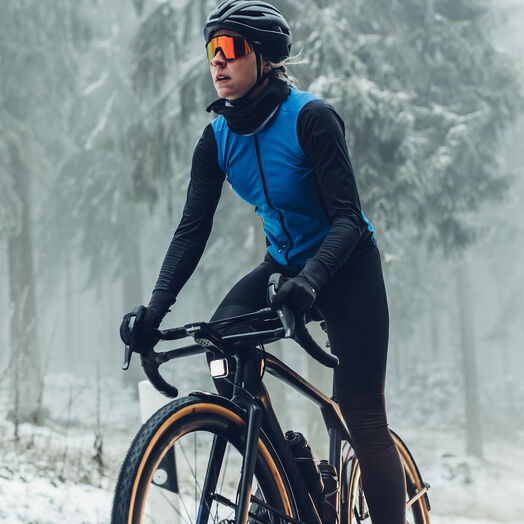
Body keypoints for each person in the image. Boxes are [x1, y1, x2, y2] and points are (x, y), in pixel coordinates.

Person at [120, 0, 406, 521]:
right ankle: (291, 484)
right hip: (285, 264)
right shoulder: (217, 139)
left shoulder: (311, 119)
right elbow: (192, 230)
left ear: (265, 56)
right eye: (212, 51)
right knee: (221, 350)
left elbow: (346, 218)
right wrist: (154, 312)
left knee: (361, 414)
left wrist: (314, 279)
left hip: (346, 268)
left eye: (230, 48)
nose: (218, 62)